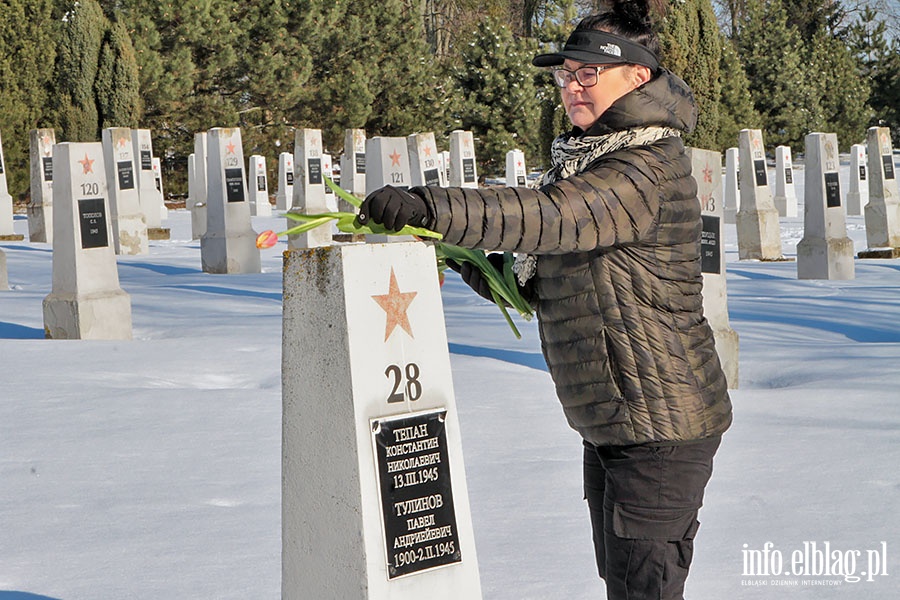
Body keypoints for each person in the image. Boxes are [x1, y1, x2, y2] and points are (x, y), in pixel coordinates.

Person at [357, 1, 733, 598]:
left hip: (660, 425)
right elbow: (538, 278)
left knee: (645, 588)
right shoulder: (590, 159)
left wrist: (434, 207)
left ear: (639, 75)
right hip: (614, 418)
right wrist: (459, 256)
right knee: (624, 582)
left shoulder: (643, 169)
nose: (571, 87)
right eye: (565, 74)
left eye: (588, 73)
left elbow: (550, 217)